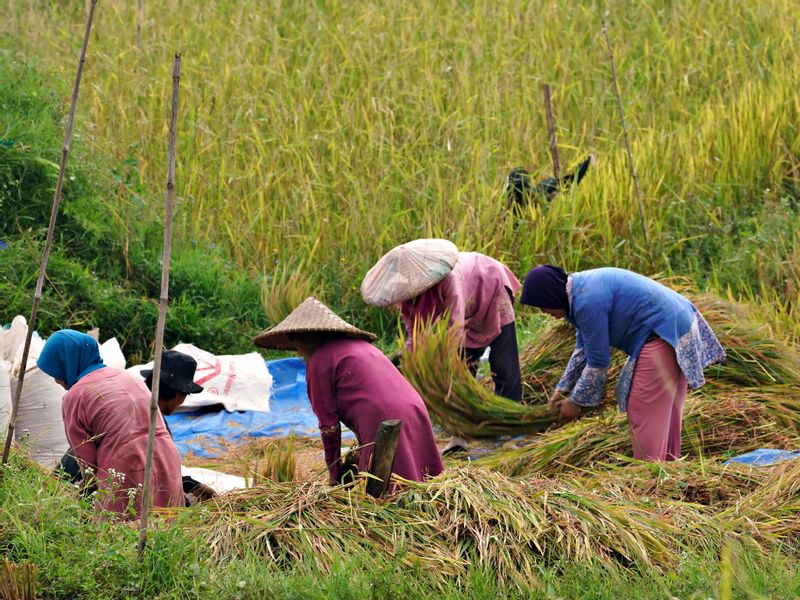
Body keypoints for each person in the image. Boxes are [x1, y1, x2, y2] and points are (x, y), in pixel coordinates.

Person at [519, 266, 726, 461]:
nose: (543, 312)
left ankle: (649, 476)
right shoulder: (580, 291)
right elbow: (582, 350)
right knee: (665, 414)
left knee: (642, 409)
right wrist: (561, 391)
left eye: (541, 305)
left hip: (661, 335)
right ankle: (668, 469)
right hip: (675, 327)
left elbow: (598, 361)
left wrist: (575, 403)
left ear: (550, 294)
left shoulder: (587, 302)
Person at [253, 297, 443, 488]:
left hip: (382, 414)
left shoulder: (319, 361)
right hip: (414, 405)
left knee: (385, 487)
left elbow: (329, 427)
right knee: (421, 479)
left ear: (304, 337)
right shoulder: (362, 347)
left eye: (296, 343)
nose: (297, 352)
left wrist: (334, 475)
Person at [38, 330, 183, 517]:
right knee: (164, 530)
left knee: (118, 537)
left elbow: (87, 464)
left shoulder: (75, 396)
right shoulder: (127, 377)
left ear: (67, 363)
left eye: (56, 372)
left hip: (126, 468)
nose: (57, 381)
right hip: (167, 460)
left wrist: (81, 498)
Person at [362, 240, 523, 403]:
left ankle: (511, 411)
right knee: (464, 368)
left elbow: (455, 327)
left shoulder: (448, 279)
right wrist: (407, 359)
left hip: (490, 282)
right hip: (467, 307)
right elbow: (415, 336)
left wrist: (439, 362)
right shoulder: (405, 297)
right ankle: (469, 411)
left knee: (503, 359)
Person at [141, 350, 217, 502]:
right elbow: (155, 471)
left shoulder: (141, 405)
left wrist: (191, 485)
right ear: (177, 393)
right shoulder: (153, 422)